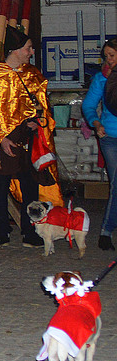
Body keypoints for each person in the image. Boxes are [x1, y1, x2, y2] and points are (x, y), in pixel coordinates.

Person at [0, 25, 60, 248]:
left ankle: (30, 232)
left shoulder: (33, 75)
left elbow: (44, 105)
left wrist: (39, 120)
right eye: (28, 48)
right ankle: (1, 231)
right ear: (15, 50)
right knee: (1, 186)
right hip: (4, 140)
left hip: (29, 139)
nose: (31, 52)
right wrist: (1, 139)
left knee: (30, 185)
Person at [83, 38, 117, 250]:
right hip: (110, 137)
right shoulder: (101, 78)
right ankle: (106, 231)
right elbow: (88, 106)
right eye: (106, 57)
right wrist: (96, 123)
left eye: (111, 56)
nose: (108, 60)